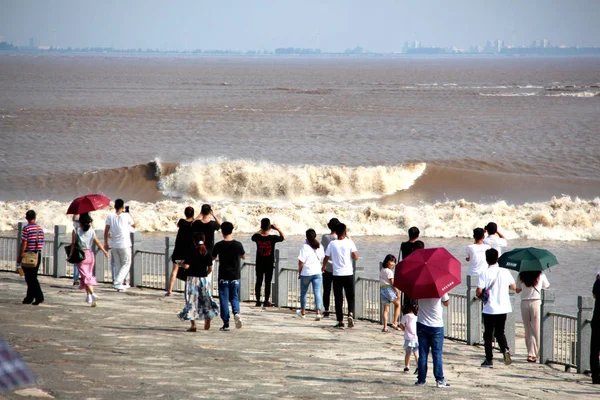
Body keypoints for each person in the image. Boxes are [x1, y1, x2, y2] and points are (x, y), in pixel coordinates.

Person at [476, 248, 516, 368]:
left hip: (489, 308)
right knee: (500, 332)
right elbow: (513, 286)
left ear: (486, 259)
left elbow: (478, 291)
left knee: (488, 335)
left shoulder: (484, 273)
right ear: (497, 258)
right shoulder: (505, 271)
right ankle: (505, 350)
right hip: (503, 307)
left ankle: (489, 359)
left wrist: (479, 295)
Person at [178, 232, 219, 332]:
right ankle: (208, 318)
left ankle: (193, 325)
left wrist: (181, 265)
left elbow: (187, 266)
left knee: (191, 301)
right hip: (203, 279)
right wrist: (205, 274)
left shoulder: (191, 251)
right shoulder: (207, 252)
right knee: (206, 300)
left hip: (192, 279)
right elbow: (210, 269)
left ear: (194, 241)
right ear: (204, 240)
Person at [322, 223, 358, 329]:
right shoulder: (350, 242)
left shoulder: (332, 244)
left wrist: (323, 266)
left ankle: (340, 321)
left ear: (336, 233)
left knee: (338, 298)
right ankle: (350, 314)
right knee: (350, 296)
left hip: (337, 274)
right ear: (345, 232)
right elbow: (356, 257)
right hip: (348, 273)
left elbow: (326, 256)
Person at [212, 222, 246, 331]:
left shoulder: (219, 245)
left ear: (222, 231)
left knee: (224, 299)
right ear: (232, 230)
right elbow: (244, 256)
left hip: (223, 275)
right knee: (234, 297)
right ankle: (236, 312)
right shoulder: (238, 244)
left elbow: (212, 257)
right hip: (235, 276)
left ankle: (226, 323)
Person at [69, 213, 108, 307]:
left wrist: (70, 254)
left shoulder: (76, 230)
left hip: (81, 255)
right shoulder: (91, 230)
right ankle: (89, 296)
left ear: (80, 222)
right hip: (90, 255)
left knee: (85, 277)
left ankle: (93, 295)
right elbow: (97, 241)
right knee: (88, 276)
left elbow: (73, 243)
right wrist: (104, 251)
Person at [415, 290, 450, 387]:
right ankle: (439, 379)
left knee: (422, 354)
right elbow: (446, 303)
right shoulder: (440, 288)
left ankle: (421, 380)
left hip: (422, 324)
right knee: (437, 354)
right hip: (436, 325)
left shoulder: (419, 288)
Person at [515, 270, 550, 362]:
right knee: (536, 328)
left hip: (524, 303)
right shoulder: (540, 274)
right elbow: (546, 286)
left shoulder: (521, 275)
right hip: (536, 302)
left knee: (527, 328)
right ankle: (534, 354)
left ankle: (530, 353)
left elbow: (517, 290)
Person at [251, 218, 285, 307]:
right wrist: (277, 229)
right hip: (269, 263)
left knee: (258, 282)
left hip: (259, 262)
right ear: (269, 227)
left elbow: (253, 236)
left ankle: (258, 301)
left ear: (261, 227)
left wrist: (261, 229)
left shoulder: (257, 237)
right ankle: (266, 301)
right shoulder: (272, 238)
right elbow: (283, 237)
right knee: (267, 282)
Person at [104, 199, 136, 291]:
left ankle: (119, 283)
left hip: (114, 244)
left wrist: (106, 242)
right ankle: (118, 282)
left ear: (114, 207)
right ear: (122, 207)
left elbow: (106, 230)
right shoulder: (126, 215)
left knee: (117, 264)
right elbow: (134, 225)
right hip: (124, 244)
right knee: (126, 263)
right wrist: (129, 213)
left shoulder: (110, 216)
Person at [165, 206, 195, 296]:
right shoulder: (193, 224)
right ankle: (188, 291)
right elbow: (192, 222)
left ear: (185, 213)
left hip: (178, 252)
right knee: (187, 272)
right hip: (187, 253)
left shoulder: (181, 222)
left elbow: (180, 225)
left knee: (175, 270)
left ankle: (169, 290)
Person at [17, 210, 45, 305]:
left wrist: (20, 255)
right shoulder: (40, 228)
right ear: (35, 217)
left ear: (26, 218)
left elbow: (24, 243)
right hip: (37, 255)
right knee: (33, 277)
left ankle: (39, 296)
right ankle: (29, 298)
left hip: (28, 255)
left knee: (30, 278)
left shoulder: (26, 229)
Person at [296, 229, 325, 320]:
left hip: (306, 272)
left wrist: (300, 271)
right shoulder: (320, 246)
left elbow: (301, 262)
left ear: (306, 237)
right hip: (317, 272)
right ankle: (318, 312)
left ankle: (303, 312)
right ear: (315, 236)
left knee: (304, 292)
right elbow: (323, 258)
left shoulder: (305, 247)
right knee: (317, 292)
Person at [399, 226, 424, 307]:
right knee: (415, 297)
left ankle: (406, 313)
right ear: (418, 235)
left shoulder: (403, 245)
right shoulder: (419, 245)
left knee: (407, 295)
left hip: (406, 272)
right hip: (416, 273)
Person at [321, 217, 339, 318]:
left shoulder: (325, 237)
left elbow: (323, 248)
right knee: (337, 291)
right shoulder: (340, 239)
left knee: (326, 290)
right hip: (338, 268)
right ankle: (338, 310)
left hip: (327, 266)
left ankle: (327, 310)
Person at [380, 254, 401, 332]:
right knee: (398, 305)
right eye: (391, 261)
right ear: (387, 261)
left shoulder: (382, 270)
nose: (393, 263)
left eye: (394, 262)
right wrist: (397, 292)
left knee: (386, 309)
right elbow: (392, 283)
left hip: (382, 290)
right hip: (389, 290)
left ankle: (385, 327)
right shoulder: (389, 272)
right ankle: (394, 323)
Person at [400, 302, 419, 373]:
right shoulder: (416, 317)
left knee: (408, 353)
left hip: (408, 337)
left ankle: (406, 367)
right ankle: (418, 366)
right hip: (416, 337)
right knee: (416, 352)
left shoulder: (405, 316)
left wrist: (404, 329)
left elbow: (401, 326)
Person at [590, 271, 600, 384]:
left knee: (595, 349)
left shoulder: (597, 283)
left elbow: (594, 295)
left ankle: (595, 376)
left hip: (597, 320)